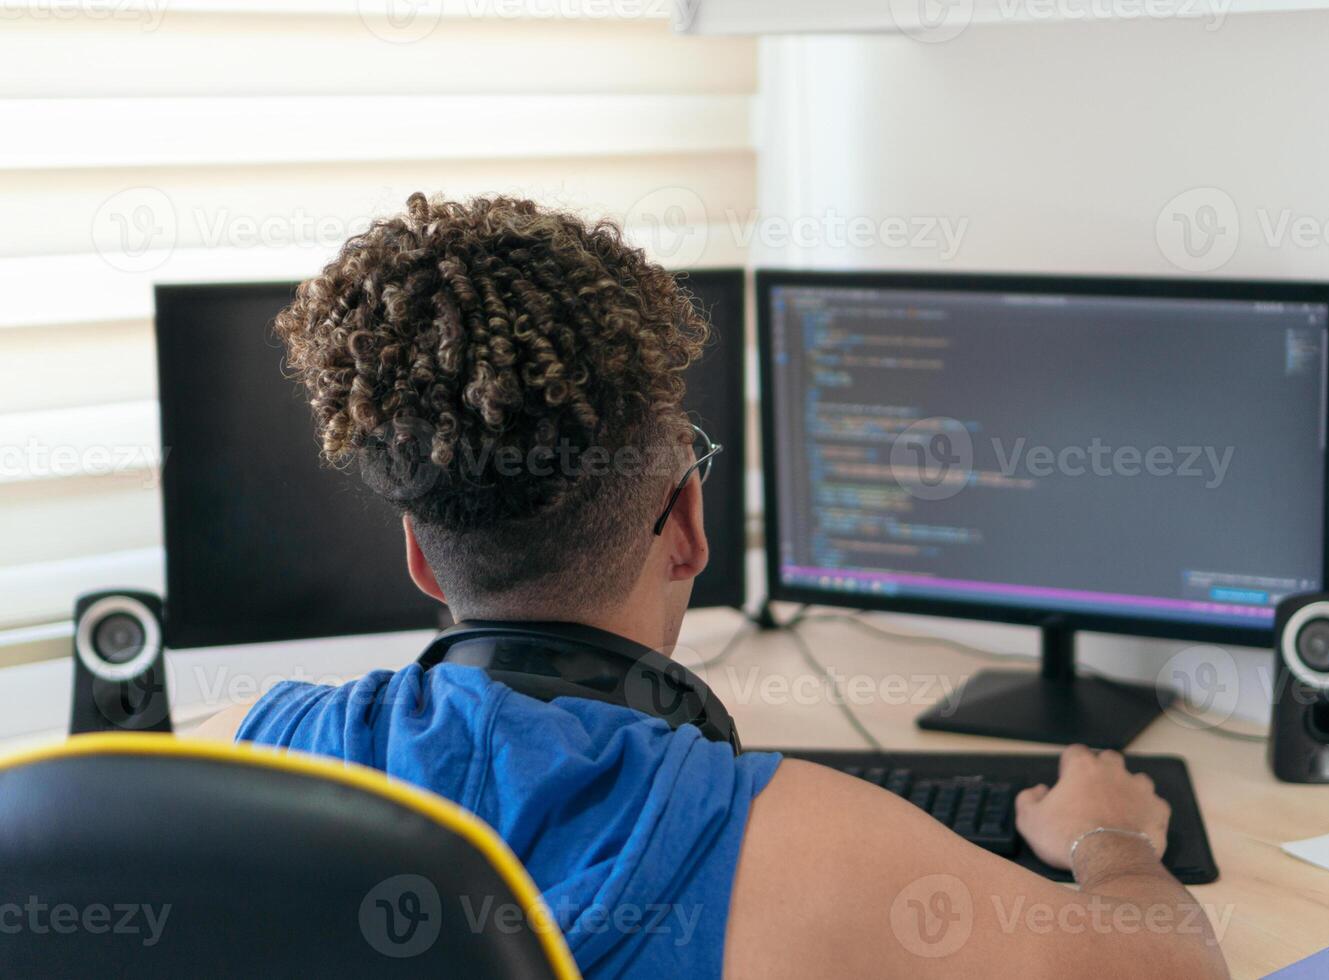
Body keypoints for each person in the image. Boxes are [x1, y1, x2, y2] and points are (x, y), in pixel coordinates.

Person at [195, 193, 1229, 979]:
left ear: (419, 553)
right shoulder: (794, 840)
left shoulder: (241, 753)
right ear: (688, 526)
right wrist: (1115, 839)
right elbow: (1171, 967)